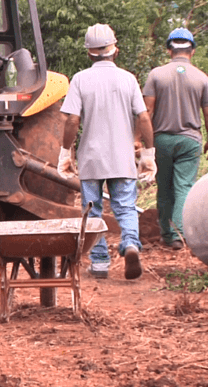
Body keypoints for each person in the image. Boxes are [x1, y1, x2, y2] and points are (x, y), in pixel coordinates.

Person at [57, 23, 156, 280]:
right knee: (125, 207)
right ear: (115, 50)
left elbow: (71, 121)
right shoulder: (128, 79)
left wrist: (65, 153)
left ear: (89, 53)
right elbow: (143, 118)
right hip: (122, 158)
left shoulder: (80, 79)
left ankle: (100, 262)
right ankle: (131, 244)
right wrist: (148, 154)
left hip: (91, 159)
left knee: (92, 210)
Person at [142, 28, 208, 250]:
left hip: (162, 140)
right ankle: (180, 233)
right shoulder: (202, 78)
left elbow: (147, 112)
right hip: (190, 141)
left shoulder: (156, 75)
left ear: (169, 50)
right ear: (193, 51)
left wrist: (142, 141)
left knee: (164, 187)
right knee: (184, 187)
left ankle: (167, 235)